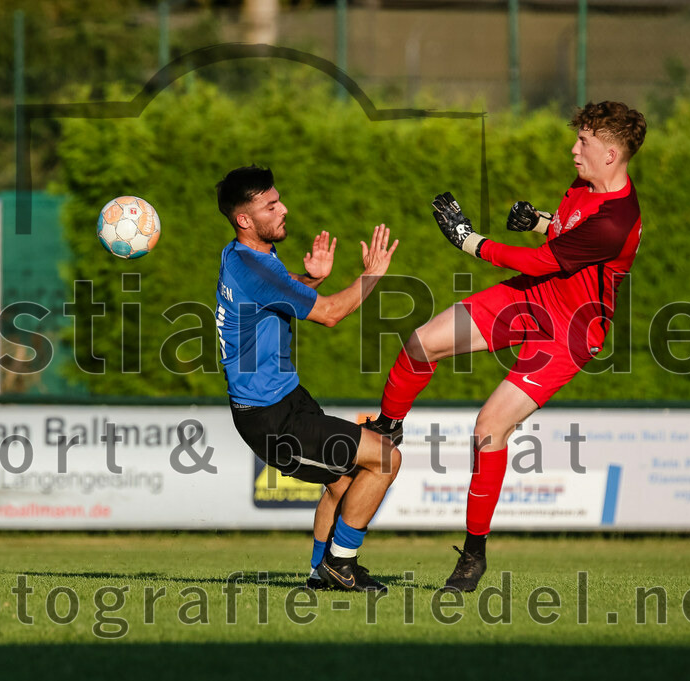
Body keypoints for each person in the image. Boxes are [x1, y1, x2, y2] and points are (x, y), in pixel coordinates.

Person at [365, 101, 646, 592]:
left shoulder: (617, 219)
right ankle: (388, 427)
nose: (573, 149)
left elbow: (543, 262)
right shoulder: (585, 186)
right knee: (421, 343)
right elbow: (565, 235)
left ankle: (473, 555)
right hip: (532, 299)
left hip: (570, 332)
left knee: (488, 428)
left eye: (583, 142)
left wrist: (469, 240)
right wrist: (538, 220)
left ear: (611, 154)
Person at [215, 165, 401, 592]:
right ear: (244, 219)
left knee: (341, 482)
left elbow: (275, 291)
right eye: (270, 206)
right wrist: (372, 274)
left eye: (278, 200)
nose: (283, 209)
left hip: (285, 397)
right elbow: (331, 314)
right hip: (268, 417)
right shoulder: (254, 267)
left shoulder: (240, 256)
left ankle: (322, 572)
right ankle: (340, 563)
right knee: (386, 458)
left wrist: (312, 278)